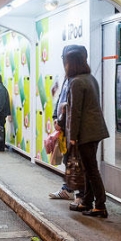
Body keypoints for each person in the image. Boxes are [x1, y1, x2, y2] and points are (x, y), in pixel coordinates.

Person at [65, 45, 110, 218]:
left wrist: (73, 137)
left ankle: (100, 205)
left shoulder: (76, 82)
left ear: (72, 63)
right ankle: (87, 201)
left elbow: (75, 111)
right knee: (88, 168)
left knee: (91, 170)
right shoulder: (90, 78)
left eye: (68, 62)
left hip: (85, 133)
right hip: (95, 130)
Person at [49, 45, 79, 200]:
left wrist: (61, 121)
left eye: (64, 59)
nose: (63, 62)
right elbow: (61, 100)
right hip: (65, 126)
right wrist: (56, 117)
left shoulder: (78, 81)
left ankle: (81, 195)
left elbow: (71, 107)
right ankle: (69, 190)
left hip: (73, 129)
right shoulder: (68, 78)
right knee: (69, 160)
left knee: (77, 162)